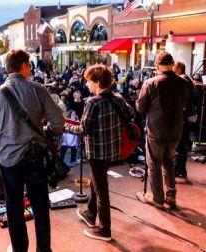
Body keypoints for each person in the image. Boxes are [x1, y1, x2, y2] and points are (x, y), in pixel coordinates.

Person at [0, 49, 65, 252]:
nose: (30, 69)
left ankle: (20, 249)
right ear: (23, 66)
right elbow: (58, 122)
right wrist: (46, 130)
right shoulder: (38, 89)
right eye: (29, 66)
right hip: (34, 157)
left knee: (14, 207)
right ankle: (43, 249)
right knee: (40, 205)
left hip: (8, 159)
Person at [65, 65, 134, 241]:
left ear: (96, 82)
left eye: (88, 81)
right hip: (112, 149)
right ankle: (90, 213)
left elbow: (82, 130)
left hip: (96, 152)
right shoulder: (118, 98)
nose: (87, 85)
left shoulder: (92, 102)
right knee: (98, 182)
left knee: (101, 189)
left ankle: (105, 230)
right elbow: (131, 114)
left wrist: (64, 126)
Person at [135, 52, 189, 209]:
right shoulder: (183, 83)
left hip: (156, 132)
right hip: (175, 131)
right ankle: (171, 195)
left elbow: (140, 107)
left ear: (157, 66)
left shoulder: (151, 83)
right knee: (169, 163)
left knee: (154, 165)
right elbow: (185, 102)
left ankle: (158, 198)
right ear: (172, 65)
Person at [173, 61, 197, 182]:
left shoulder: (183, 80)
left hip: (184, 114)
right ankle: (179, 170)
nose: (172, 69)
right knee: (182, 142)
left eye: (174, 67)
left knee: (181, 142)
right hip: (188, 113)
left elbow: (184, 97)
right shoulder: (187, 78)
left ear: (180, 68)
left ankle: (179, 171)